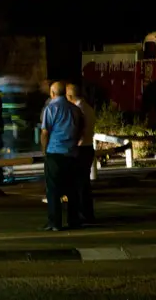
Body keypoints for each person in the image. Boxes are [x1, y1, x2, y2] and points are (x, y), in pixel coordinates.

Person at [40, 81, 84, 231]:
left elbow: (45, 132)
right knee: (72, 189)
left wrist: (44, 151)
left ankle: (55, 223)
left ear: (52, 93)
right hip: (72, 153)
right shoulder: (75, 109)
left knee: (53, 190)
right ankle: (74, 220)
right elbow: (81, 129)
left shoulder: (51, 108)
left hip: (55, 153)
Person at [67, 83, 96, 223]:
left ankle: (81, 215)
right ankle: (87, 213)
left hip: (80, 149)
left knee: (78, 185)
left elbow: (77, 131)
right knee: (84, 183)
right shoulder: (89, 108)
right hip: (88, 147)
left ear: (70, 96)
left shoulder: (78, 110)